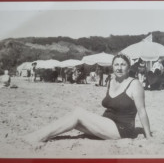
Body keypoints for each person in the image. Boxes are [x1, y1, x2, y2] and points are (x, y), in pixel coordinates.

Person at [23, 54, 152, 144]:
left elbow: (142, 111)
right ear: (112, 66)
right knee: (73, 122)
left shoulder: (135, 84)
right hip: (106, 124)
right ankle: (42, 134)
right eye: (116, 64)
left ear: (128, 67)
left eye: (123, 65)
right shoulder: (110, 81)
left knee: (78, 113)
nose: (119, 67)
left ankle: (38, 136)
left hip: (122, 129)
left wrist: (148, 136)